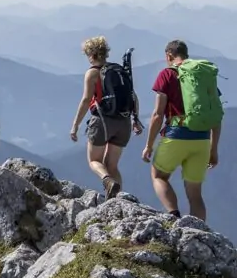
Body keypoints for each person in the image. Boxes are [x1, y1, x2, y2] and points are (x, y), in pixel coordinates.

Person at [141, 40, 222, 221]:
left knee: (159, 176)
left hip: (176, 135)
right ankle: (198, 232)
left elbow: (157, 114)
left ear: (168, 56)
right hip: (202, 139)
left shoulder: (167, 74)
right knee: (195, 194)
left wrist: (148, 145)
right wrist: (213, 149)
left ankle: (173, 216)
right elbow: (215, 114)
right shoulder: (202, 77)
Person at [68, 36, 142, 197]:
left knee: (95, 161)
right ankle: (117, 200)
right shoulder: (119, 70)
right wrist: (136, 120)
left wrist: (75, 125)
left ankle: (107, 181)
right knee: (112, 165)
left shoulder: (93, 73)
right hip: (123, 123)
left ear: (90, 54)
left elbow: (87, 99)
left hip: (102, 122)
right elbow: (133, 96)